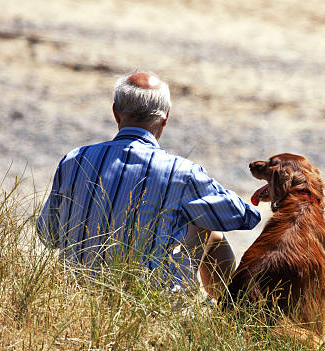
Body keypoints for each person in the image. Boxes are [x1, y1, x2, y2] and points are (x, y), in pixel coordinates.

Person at [36, 72, 260, 296]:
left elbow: (48, 235)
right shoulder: (182, 173)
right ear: (166, 117)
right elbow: (245, 216)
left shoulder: (75, 159)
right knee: (205, 222)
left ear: (116, 112)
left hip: (74, 298)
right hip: (150, 306)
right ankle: (229, 312)